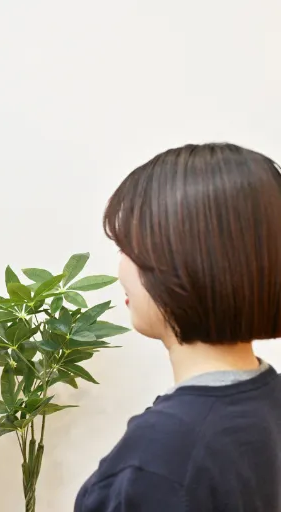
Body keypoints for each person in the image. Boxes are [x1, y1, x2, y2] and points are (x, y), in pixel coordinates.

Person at [75, 143, 281, 511]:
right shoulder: (265, 408)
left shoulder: (162, 460)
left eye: (127, 249)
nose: (120, 270)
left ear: (183, 263)